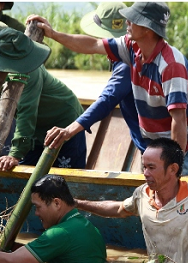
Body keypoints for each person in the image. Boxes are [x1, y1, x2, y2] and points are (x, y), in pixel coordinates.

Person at [30, 2, 188, 177]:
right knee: (154, 205)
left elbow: (179, 119)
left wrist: (173, 167)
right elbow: (93, 45)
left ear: (146, 29)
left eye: (133, 20)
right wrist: (53, 34)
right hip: (156, 145)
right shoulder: (131, 47)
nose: (127, 23)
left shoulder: (170, 65)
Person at [0, 27, 86, 171]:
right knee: (30, 170)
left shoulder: (30, 73)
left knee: (64, 176)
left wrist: (15, 154)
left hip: (62, 120)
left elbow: (27, 113)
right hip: (34, 130)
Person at [45, 2, 148, 155]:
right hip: (149, 145)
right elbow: (91, 45)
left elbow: (106, 100)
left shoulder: (126, 64)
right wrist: (53, 34)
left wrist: (69, 130)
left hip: (159, 147)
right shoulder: (129, 52)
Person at [0, 174, 107, 263]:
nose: (36, 213)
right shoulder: (88, 226)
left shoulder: (60, 233)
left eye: (38, 207)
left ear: (56, 203)